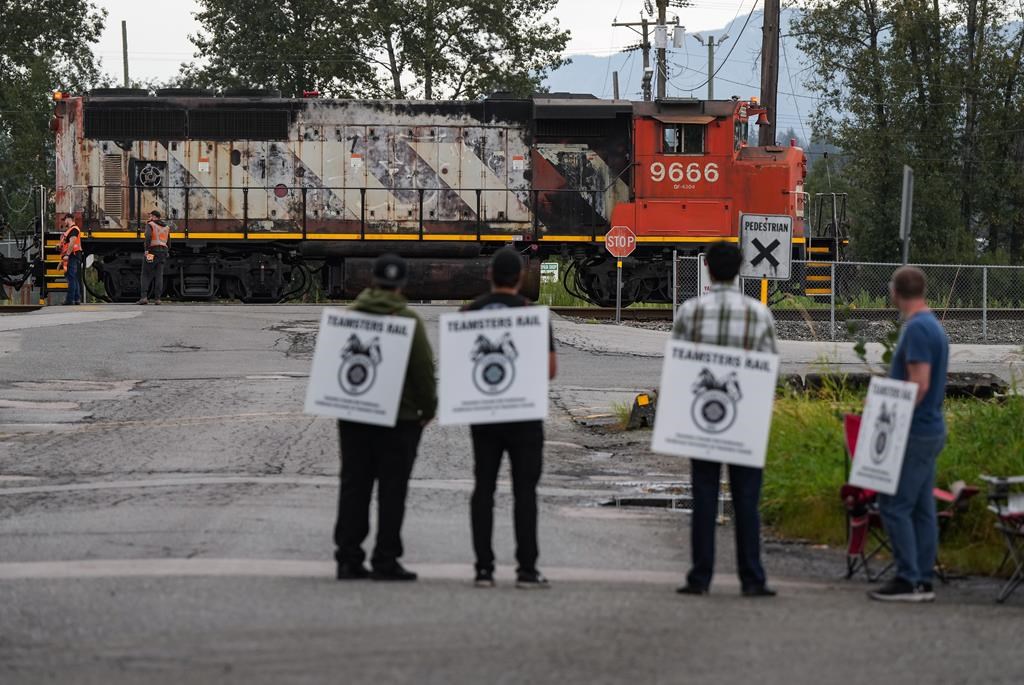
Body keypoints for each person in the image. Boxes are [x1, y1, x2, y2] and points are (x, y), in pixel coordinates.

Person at [671, 241, 778, 597]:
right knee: (747, 499)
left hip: (703, 416)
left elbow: (680, 366)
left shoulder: (690, 312)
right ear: (740, 269)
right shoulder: (758, 314)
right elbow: (768, 368)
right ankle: (752, 578)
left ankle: (700, 577)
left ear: (708, 270)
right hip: (744, 416)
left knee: (704, 495)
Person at [334, 254, 437, 582]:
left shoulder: (348, 318)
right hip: (400, 420)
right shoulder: (409, 320)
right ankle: (385, 558)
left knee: (354, 484)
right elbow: (423, 371)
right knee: (393, 491)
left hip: (355, 415)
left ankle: (348, 558)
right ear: (402, 284)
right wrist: (427, 410)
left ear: (372, 280)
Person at [463, 247, 557, 589]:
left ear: (489, 275)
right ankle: (527, 570)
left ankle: (484, 569)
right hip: (524, 417)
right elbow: (549, 370)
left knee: (483, 488)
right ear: (519, 278)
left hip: (485, 415)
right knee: (525, 492)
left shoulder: (470, 312)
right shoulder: (532, 315)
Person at [869, 266, 949, 603]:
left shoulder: (916, 329)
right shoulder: (934, 326)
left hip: (914, 429)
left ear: (895, 292)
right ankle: (923, 578)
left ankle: (908, 578)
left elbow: (919, 384)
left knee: (894, 504)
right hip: (930, 427)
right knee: (920, 508)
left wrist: (889, 415)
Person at [136, 210, 170, 305]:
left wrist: (147, 250)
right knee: (159, 276)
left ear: (155, 217)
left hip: (152, 252)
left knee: (146, 274)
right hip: (163, 253)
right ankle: (158, 299)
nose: (149, 218)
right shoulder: (166, 227)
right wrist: (167, 251)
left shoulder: (151, 225)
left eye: (150, 216)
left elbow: (148, 237)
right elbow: (169, 241)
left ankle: (144, 298)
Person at [58, 214, 83, 305]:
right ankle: (76, 299)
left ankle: (70, 300)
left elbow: (72, 242)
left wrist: (67, 255)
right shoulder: (70, 230)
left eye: (65, 220)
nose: (64, 222)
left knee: (71, 278)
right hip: (72, 255)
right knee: (73, 278)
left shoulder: (74, 229)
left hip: (72, 255)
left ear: (69, 219)